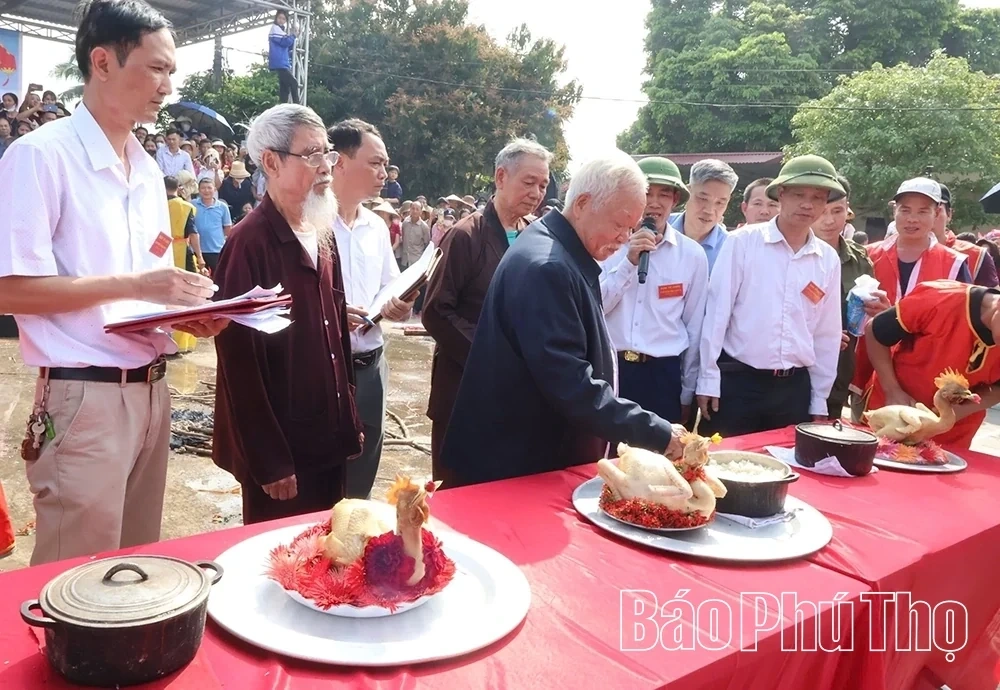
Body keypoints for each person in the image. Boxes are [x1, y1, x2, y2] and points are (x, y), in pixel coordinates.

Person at [0, 0, 224, 565]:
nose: (167, 87)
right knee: (75, 580)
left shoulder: (147, 169)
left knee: (132, 571)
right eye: (155, 68)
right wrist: (143, 286)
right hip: (84, 397)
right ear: (102, 62)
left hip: (151, 388)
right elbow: (9, 289)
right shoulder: (40, 157)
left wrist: (186, 313)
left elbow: (144, 283)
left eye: (171, 71)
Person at [438, 151, 680, 488]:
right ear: (582, 203)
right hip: (517, 469)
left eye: (632, 227)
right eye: (619, 224)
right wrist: (656, 432)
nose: (625, 238)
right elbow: (571, 385)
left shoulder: (560, 250)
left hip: (532, 458)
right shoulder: (548, 267)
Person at [212, 104, 362, 523]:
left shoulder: (320, 231)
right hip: (284, 451)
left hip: (327, 438)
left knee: (328, 557)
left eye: (328, 153)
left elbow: (336, 336)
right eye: (311, 154)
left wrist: (348, 418)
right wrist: (269, 459)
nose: (326, 166)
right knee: (280, 565)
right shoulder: (249, 243)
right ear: (271, 162)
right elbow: (239, 362)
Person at [422, 138, 550, 475]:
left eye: (543, 184)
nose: (537, 192)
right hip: (465, 387)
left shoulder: (534, 236)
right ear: (500, 177)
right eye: (529, 182)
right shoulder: (466, 236)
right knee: (458, 493)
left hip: (516, 393)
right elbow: (436, 312)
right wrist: (491, 357)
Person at [696, 155, 843, 436]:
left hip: (794, 390)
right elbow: (717, 315)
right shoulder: (743, 243)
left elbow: (826, 334)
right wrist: (708, 379)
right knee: (727, 470)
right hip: (739, 383)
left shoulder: (827, 259)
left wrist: (819, 397)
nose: (807, 204)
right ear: (782, 194)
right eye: (799, 194)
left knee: (789, 472)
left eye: (817, 197)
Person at [329, 118, 415, 499]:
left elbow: (388, 285)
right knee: (324, 473)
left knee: (363, 472)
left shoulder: (376, 227)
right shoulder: (310, 224)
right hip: (327, 366)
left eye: (385, 164)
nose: (384, 173)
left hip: (371, 364)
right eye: (375, 163)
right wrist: (330, 312)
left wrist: (398, 304)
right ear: (339, 162)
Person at [600, 156, 708, 426]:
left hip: (663, 375)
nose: (655, 203)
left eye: (665, 194)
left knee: (661, 462)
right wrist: (628, 262)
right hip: (613, 369)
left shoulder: (692, 254)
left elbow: (694, 328)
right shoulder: (605, 247)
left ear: (675, 201)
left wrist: (686, 392)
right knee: (608, 458)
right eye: (647, 193)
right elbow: (595, 307)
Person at [850, 178, 971, 404]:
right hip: (867, 373)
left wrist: (893, 316)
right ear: (894, 211)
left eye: (923, 211)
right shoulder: (867, 256)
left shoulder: (955, 264)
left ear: (937, 214)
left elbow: (960, 327)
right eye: (905, 210)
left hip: (927, 378)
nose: (912, 219)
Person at [864, 280, 1000, 450]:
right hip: (893, 417)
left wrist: (951, 416)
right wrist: (892, 390)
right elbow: (875, 332)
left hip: (952, 436)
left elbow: (997, 388)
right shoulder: (941, 299)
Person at [810, 175, 880, 419]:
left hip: (839, 368)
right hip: (796, 368)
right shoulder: (791, 254)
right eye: (822, 211)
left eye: (837, 211)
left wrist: (877, 312)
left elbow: (862, 319)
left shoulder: (860, 259)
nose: (829, 221)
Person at [669, 159, 738, 274]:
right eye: (703, 199)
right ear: (688, 191)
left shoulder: (731, 249)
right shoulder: (659, 228)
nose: (709, 211)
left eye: (720, 203)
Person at [165, 175, 206, 353]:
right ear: (178, 187)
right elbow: (193, 234)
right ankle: (183, 342)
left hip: (159, 251)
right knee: (186, 296)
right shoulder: (187, 207)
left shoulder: (154, 203)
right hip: (183, 251)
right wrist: (200, 257)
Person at [935, 183, 998, 287]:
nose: (926, 217)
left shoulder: (976, 255)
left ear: (949, 214)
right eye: (908, 210)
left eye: (936, 211)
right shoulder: (899, 253)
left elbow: (994, 300)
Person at [192, 176, 232, 272]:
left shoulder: (222, 207)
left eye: (209, 188)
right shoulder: (192, 205)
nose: (206, 191)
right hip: (197, 250)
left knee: (218, 277)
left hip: (216, 249)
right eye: (203, 188)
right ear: (199, 190)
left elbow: (227, 227)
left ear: (214, 189)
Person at [269, 10, 298, 104]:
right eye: (279, 18)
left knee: (284, 89)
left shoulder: (280, 30)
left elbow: (288, 45)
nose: (281, 20)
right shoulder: (275, 28)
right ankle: (298, 107)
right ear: (276, 18)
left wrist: (292, 37)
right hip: (280, 62)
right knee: (293, 83)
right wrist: (293, 35)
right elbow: (285, 42)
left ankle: (283, 106)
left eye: (283, 19)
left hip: (282, 62)